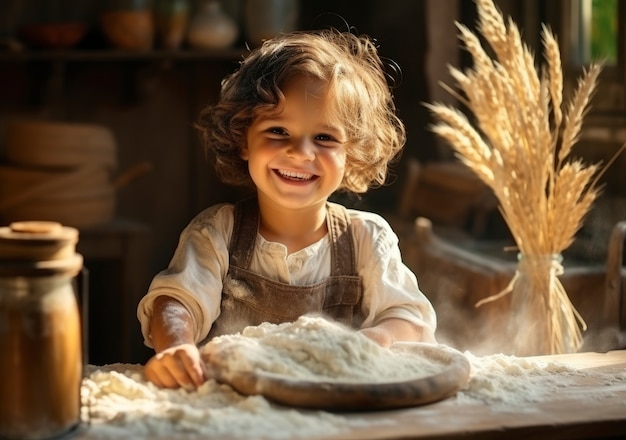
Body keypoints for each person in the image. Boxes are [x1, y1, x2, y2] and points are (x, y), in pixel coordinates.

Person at [137, 28, 437, 390]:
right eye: (278, 130)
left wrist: (377, 339)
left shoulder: (367, 238)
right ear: (243, 138)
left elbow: (409, 319)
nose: (300, 152)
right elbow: (176, 302)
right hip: (238, 408)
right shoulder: (217, 231)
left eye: (325, 137)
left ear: (352, 154)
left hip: (334, 411)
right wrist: (176, 347)